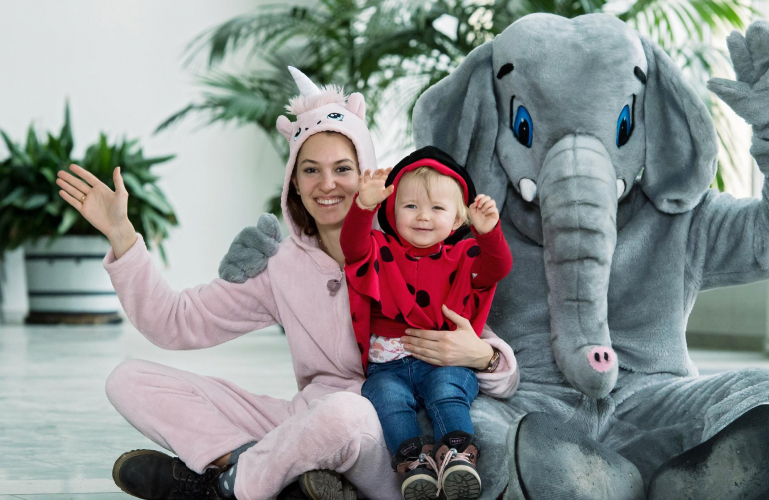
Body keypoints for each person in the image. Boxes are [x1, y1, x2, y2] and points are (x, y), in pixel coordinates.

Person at [53, 68, 520, 500]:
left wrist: (482, 355)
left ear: (368, 174)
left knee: (345, 412)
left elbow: (501, 369)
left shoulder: (416, 242)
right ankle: (272, 475)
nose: (327, 184)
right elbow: (172, 324)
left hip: (391, 443)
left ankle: (220, 489)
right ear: (293, 182)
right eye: (310, 170)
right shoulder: (279, 262)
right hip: (302, 421)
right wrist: (122, 235)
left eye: (343, 168)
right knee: (129, 380)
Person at [340, 147, 512, 500]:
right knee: (385, 397)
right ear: (392, 210)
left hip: (443, 360)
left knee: (448, 390)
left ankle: (458, 454)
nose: (423, 217)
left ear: (458, 219)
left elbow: (498, 268)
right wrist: (363, 207)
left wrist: (489, 232)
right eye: (411, 206)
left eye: (437, 208)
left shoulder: (464, 255)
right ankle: (412, 462)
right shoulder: (378, 247)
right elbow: (352, 248)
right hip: (387, 365)